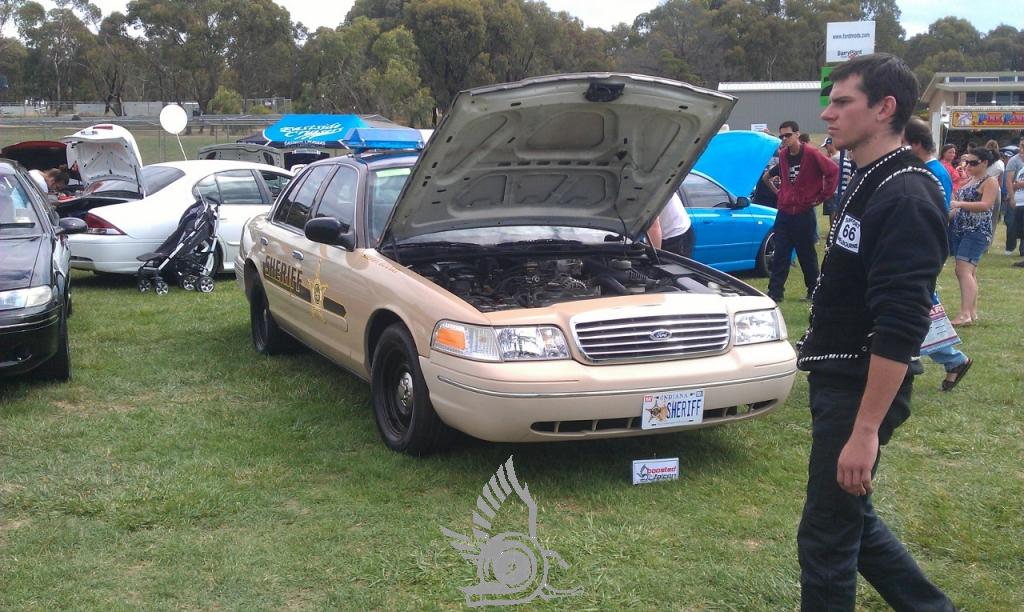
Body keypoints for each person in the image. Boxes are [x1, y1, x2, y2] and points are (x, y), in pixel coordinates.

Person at [798, 53, 954, 611]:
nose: (829, 113)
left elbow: (902, 324)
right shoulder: (869, 178)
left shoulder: (907, 195)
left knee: (827, 538)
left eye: (843, 102)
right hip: (838, 379)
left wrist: (864, 430)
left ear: (885, 109)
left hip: (859, 389)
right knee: (850, 522)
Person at [904, 116, 973, 391]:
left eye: (903, 144)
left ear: (917, 144)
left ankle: (942, 358)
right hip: (920, 248)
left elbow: (935, 214)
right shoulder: (928, 170)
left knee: (920, 306)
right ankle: (952, 359)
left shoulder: (933, 172)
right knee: (921, 306)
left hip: (922, 249)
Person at [767, 120, 838, 303]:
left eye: (788, 135)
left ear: (797, 134)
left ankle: (813, 291)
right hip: (785, 211)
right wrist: (780, 194)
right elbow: (773, 177)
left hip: (803, 211)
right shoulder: (783, 156)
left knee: (806, 254)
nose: (784, 139)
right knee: (780, 253)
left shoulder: (812, 153)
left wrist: (822, 196)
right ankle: (775, 292)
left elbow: (833, 171)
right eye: (781, 136)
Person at [949, 148, 999, 326]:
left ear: (985, 163)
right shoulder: (970, 180)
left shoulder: (990, 181)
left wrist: (959, 204)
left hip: (976, 231)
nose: (968, 166)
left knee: (962, 270)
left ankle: (965, 315)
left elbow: (986, 205)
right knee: (969, 271)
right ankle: (971, 311)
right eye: (966, 162)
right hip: (961, 229)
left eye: (973, 163)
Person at [647, 192, 694, 257]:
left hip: (677, 234)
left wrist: (653, 259)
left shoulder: (646, 190)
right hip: (662, 232)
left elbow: (653, 228)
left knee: (670, 266)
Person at [1004, 138, 1024, 256]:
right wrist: (1011, 197)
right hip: (1017, 196)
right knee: (1011, 223)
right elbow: (1008, 181)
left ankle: (1022, 250)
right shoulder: (1014, 160)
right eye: (1022, 145)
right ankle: (1010, 247)